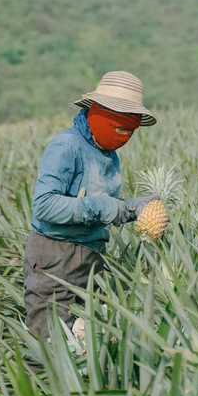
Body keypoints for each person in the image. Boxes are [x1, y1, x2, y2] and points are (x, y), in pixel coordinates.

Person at [23, 71, 158, 340]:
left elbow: (101, 205)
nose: (125, 135)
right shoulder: (66, 146)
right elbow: (44, 206)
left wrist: (132, 208)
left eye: (130, 130)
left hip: (92, 256)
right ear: (99, 112)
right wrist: (103, 206)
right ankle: (37, 381)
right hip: (55, 256)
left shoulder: (108, 154)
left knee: (85, 337)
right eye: (120, 127)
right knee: (48, 339)